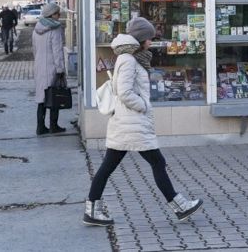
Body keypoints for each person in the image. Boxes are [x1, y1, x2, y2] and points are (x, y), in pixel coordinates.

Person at [83, 17, 203, 227]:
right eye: (149, 38)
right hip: (132, 122)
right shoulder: (129, 60)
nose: (151, 42)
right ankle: (180, 206)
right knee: (157, 162)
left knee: (110, 166)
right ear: (140, 39)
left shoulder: (130, 57)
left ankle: (92, 210)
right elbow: (124, 91)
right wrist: (143, 105)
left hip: (127, 123)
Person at [32, 3, 66, 135]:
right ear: (51, 15)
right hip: (52, 66)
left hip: (39, 66)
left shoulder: (37, 28)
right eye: (57, 13)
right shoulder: (55, 29)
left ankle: (40, 127)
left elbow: (34, 49)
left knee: (41, 97)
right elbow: (57, 51)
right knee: (54, 95)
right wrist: (60, 69)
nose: (59, 15)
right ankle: (53, 126)